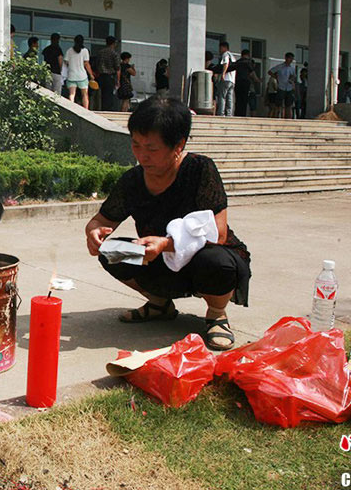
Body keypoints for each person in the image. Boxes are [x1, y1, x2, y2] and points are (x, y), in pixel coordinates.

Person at [85, 96, 251, 351]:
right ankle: (159, 304)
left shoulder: (199, 169)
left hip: (205, 258)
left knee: (216, 261)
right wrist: (94, 231)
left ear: (178, 145)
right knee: (112, 252)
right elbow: (102, 219)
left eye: (151, 149)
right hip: (158, 257)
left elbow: (218, 233)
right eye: (136, 145)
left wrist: (166, 244)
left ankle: (217, 314)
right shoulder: (133, 180)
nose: (142, 156)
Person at [64, 34, 94, 109]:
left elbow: (66, 62)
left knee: (72, 94)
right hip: (82, 76)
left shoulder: (69, 50)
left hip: (71, 75)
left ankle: (71, 109)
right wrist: (91, 74)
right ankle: (86, 109)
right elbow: (86, 64)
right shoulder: (85, 51)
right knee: (84, 94)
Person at [95, 36, 121, 111]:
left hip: (101, 76)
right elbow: (117, 67)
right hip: (110, 76)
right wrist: (118, 80)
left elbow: (97, 64)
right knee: (109, 95)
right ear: (114, 43)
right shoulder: (114, 53)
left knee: (102, 94)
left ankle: (102, 108)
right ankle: (108, 110)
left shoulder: (100, 52)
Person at [232, 49, 260, 118]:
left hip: (237, 82)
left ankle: (237, 114)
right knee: (244, 100)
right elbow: (252, 72)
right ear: (248, 55)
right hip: (245, 82)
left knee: (238, 99)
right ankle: (242, 115)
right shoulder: (248, 62)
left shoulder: (237, 62)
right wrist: (257, 80)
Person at [268, 52, 296, 119]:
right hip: (281, 87)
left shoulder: (292, 68)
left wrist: (291, 79)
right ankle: (276, 117)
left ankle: (288, 119)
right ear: (286, 58)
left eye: (292, 59)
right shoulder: (280, 66)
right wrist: (276, 77)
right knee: (278, 105)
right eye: (290, 58)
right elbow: (270, 72)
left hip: (289, 87)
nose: (291, 60)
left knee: (288, 105)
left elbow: (293, 76)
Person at [216, 42, 235, 117]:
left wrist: (223, 74)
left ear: (224, 47)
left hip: (226, 79)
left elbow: (226, 63)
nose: (219, 50)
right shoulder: (232, 56)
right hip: (232, 80)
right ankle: (229, 114)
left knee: (222, 96)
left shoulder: (225, 54)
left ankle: (221, 113)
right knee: (230, 98)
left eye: (220, 48)